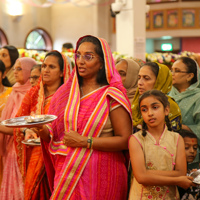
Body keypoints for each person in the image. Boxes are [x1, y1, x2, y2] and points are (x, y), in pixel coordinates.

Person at [32, 35, 132, 199]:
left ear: (102, 63)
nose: (80, 61)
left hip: (103, 175)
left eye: (88, 57)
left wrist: (86, 142)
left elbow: (125, 139)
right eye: (78, 55)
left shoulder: (112, 95)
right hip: (66, 172)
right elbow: (53, 135)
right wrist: (40, 128)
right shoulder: (64, 94)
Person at [14, 51, 71, 200]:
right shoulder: (33, 94)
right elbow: (18, 120)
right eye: (44, 66)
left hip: (60, 155)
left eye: (51, 67)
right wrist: (27, 130)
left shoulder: (69, 97)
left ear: (61, 72)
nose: (45, 70)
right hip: (36, 152)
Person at [129, 89, 194, 199]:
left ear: (166, 110)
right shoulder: (136, 139)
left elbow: (181, 173)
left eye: (155, 107)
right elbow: (141, 177)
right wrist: (176, 180)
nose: (150, 113)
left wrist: (148, 173)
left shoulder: (176, 139)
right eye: (144, 110)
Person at [0, 57, 37, 199]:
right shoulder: (15, 91)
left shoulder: (33, 93)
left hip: (26, 148)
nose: (15, 72)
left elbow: (27, 124)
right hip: (11, 148)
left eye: (19, 69)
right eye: (14, 68)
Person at [132, 62, 182, 132]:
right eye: (139, 78)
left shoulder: (170, 105)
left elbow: (173, 138)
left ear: (159, 81)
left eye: (146, 78)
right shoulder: (136, 103)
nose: (140, 82)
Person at [169, 57, 200, 137]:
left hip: (190, 146)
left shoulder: (198, 97)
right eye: (171, 70)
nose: (172, 73)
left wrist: (179, 127)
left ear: (189, 76)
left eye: (177, 71)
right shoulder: (167, 94)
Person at [178, 129, 200, 199]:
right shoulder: (171, 172)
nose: (192, 151)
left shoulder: (190, 171)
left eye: (195, 148)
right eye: (186, 147)